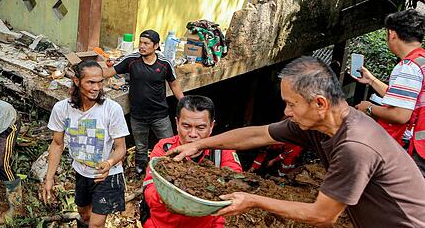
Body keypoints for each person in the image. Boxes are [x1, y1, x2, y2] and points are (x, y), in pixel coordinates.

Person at [170, 56, 425, 228]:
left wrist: (253, 200)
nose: (287, 111)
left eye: (291, 104)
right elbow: (258, 134)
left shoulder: (354, 146)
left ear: (320, 103)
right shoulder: (318, 124)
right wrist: (200, 145)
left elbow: (323, 215)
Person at [41, 60, 130, 228]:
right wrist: (49, 177)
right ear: (77, 81)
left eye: (100, 82)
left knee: (96, 224)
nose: (96, 88)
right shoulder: (62, 109)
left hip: (106, 174)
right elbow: (57, 144)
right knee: (83, 213)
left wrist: (109, 163)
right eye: (90, 82)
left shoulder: (112, 109)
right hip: (81, 171)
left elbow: (121, 148)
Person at [142, 95, 242, 228]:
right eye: (186, 126)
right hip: (163, 224)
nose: (193, 134)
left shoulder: (223, 151)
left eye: (201, 127)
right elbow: (149, 190)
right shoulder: (165, 148)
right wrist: (168, 195)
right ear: (177, 123)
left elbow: (235, 186)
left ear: (211, 126)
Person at [352, 9, 425, 176]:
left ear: (392, 34)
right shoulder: (421, 61)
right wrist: (371, 80)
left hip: (418, 149)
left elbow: (400, 114)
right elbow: (404, 99)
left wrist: (369, 108)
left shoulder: (408, 68)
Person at [102, 29, 183, 176]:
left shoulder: (164, 63)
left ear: (156, 46)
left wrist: (184, 103)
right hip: (138, 115)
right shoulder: (131, 60)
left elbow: (174, 84)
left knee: (168, 145)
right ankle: (141, 171)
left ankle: (172, 171)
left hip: (160, 115)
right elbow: (109, 72)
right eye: (140, 42)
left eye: (146, 43)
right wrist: (88, 75)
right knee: (140, 147)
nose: (142, 46)